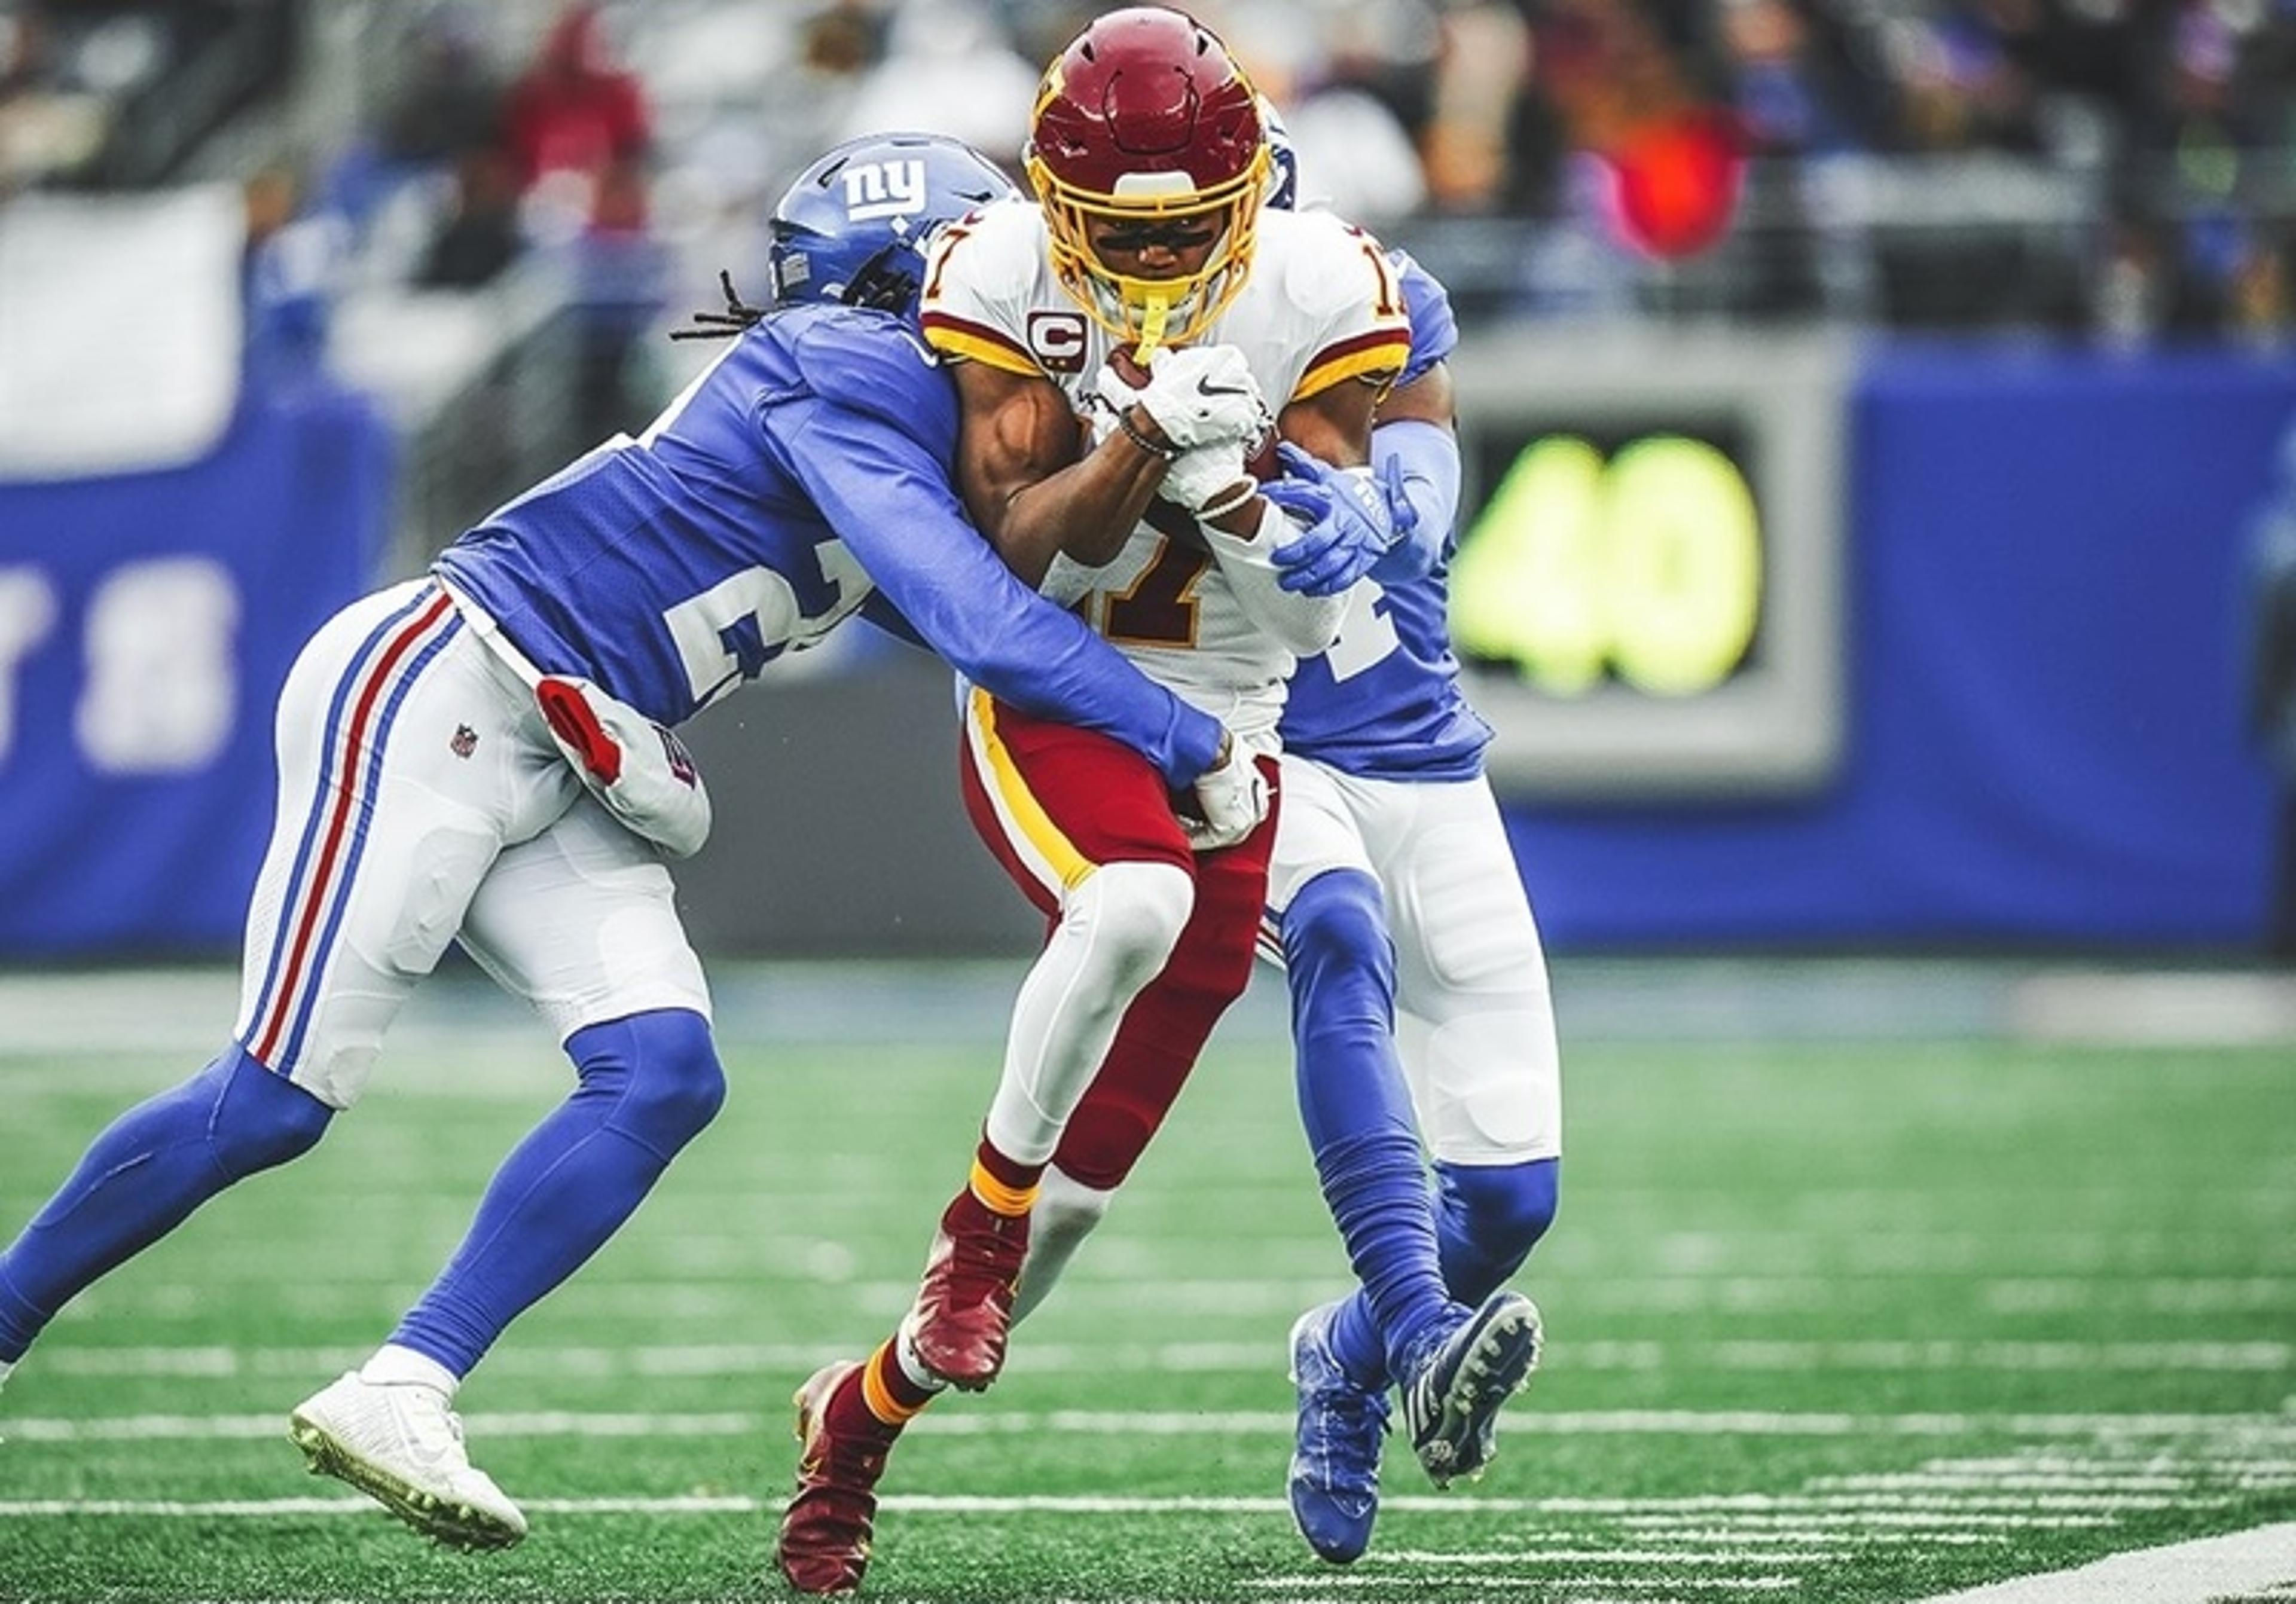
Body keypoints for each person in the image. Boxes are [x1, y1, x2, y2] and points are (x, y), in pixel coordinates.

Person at [0, 131, 1268, 1555]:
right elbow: (984, 623)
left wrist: (1201, 492)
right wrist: (1192, 743)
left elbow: (1011, 609)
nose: (1040, 315)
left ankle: (405, 1382)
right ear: (919, 280)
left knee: (662, 1071)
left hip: (560, 750)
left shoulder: (914, 423)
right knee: (274, 1100)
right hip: (447, 684)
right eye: (1003, 278)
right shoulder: (844, 370)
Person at [775, 11, 1540, 1594]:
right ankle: (1018, 1244)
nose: (1150, 261)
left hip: (1243, 729)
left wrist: (1308, 504)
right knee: (1156, 904)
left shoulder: (1329, 280)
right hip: (1065, 693)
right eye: (1117, 233)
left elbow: (1328, 588)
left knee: (1083, 1207)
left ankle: (859, 1413)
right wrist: (1145, 439)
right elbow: (1021, 558)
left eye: (1191, 226)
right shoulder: (993, 272)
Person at [1254, 125, 1564, 1565]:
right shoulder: (1088, 363)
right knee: (1337, 937)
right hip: (1262, 747)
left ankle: (1349, 1351)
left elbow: (1428, 477)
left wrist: (1387, 510)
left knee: (1511, 1194)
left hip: (1428, 755)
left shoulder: (1374, 297)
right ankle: (1425, 1333)